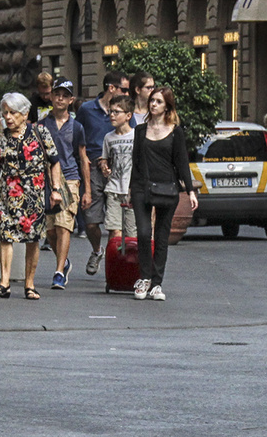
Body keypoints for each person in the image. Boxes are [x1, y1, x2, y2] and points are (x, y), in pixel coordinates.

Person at [0, 91, 62, 301]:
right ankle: (4, 283)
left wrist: (55, 189)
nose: (8, 117)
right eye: (5, 113)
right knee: (6, 237)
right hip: (8, 194)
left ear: (25, 113)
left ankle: (30, 284)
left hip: (34, 194)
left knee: (33, 238)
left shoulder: (40, 132)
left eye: (13, 113)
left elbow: (54, 160)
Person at [130, 87, 198, 301]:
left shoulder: (175, 131)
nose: (153, 104)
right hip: (142, 187)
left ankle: (156, 283)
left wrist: (190, 190)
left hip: (167, 188)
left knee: (161, 236)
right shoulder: (140, 131)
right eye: (152, 100)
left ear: (167, 105)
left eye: (158, 101)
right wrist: (130, 189)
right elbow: (136, 161)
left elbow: (182, 162)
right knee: (142, 232)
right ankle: (144, 278)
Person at [42, 77, 92, 290]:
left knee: (64, 226)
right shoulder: (42, 124)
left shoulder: (77, 127)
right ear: (51, 97)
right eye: (57, 94)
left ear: (71, 100)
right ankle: (64, 261)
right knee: (50, 231)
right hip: (46, 180)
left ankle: (59, 271)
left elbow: (83, 158)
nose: (60, 98)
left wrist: (87, 190)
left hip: (70, 179)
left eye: (65, 95)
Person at [78, 70, 129, 276]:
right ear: (111, 88)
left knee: (116, 225)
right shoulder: (86, 109)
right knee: (91, 221)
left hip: (117, 171)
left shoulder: (125, 110)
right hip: (92, 170)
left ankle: (113, 265)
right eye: (124, 89)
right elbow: (78, 137)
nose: (127, 94)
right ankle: (97, 250)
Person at [99, 95, 137, 256]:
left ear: (128, 115)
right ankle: (114, 266)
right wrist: (104, 166)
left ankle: (130, 269)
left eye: (116, 112)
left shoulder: (137, 136)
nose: (112, 115)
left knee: (132, 236)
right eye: (110, 111)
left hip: (131, 192)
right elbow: (104, 158)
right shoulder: (109, 137)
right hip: (114, 189)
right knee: (115, 233)